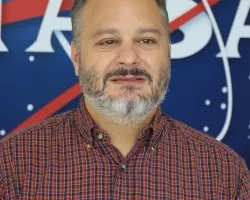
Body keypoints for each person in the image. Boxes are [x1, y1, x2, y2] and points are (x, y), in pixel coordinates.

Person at [0, 0, 250, 199]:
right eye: (108, 41)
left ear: (168, 53)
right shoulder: (12, 165)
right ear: (77, 58)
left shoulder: (225, 173)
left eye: (146, 40)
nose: (129, 58)